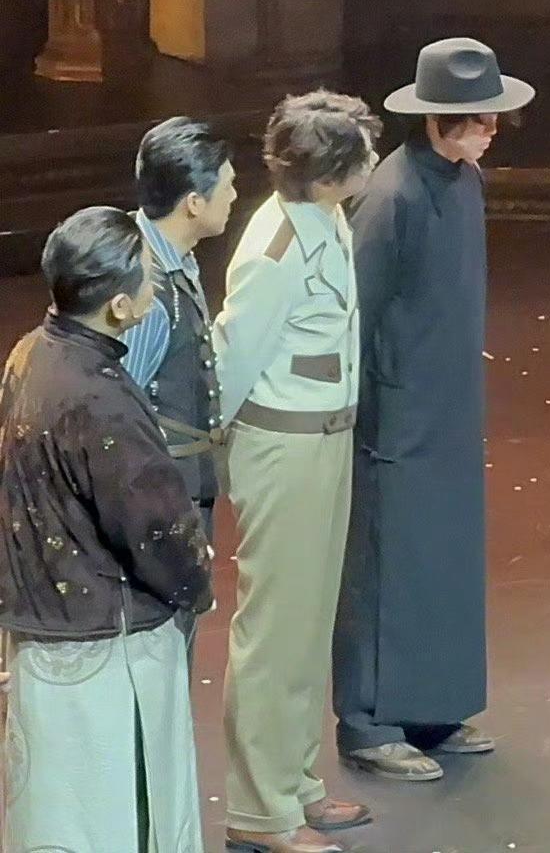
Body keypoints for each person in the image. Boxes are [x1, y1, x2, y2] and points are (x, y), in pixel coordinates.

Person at [332, 38, 533, 780]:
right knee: (388, 562)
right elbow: (358, 310)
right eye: (480, 119)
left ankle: (433, 708)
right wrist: (368, 408)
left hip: (447, 403)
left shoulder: (463, 181)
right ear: (441, 119)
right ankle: (368, 721)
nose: (492, 130)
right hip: (398, 414)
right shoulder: (392, 197)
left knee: (442, 557)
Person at [0, 206, 214, 852]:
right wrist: (194, 581)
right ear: (121, 306)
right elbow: (154, 530)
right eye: (148, 274)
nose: (155, 284)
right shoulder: (101, 398)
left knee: (58, 816)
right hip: (108, 646)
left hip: (42, 626)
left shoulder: (30, 355)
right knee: (117, 817)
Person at [217, 91, 380, 853]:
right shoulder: (276, 248)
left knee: (308, 624)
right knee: (276, 631)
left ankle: (293, 779)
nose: (373, 162)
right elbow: (233, 359)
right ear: (326, 172)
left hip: (324, 439)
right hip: (285, 445)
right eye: (360, 154)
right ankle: (259, 809)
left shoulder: (326, 219)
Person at [121, 117, 238, 601]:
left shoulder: (175, 261)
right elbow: (118, 409)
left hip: (179, 491)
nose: (234, 196)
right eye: (227, 186)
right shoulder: (147, 290)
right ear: (193, 202)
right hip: (160, 501)